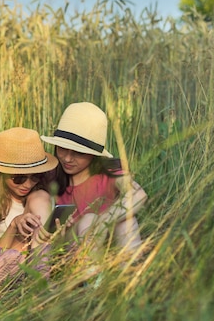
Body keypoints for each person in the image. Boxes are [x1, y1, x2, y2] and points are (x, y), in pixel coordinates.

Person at [39, 102, 146, 264]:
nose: (67, 159)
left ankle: (131, 277)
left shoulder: (108, 173)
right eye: (62, 149)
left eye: (78, 153)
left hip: (108, 243)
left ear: (93, 155)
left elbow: (138, 195)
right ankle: (89, 280)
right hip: (69, 246)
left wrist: (104, 221)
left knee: (126, 222)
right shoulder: (51, 175)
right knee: (88, 220)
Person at [0, 127, 58, 284]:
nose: (28, 184)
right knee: (11, 258)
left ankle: (41, 280)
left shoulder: (40, 196)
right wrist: (14, 226)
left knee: (40, 197)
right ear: (1, 173)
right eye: (19, 178)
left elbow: (49, 243)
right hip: (3, 261)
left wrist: (59, 232)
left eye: (35, 176)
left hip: (36, 259)